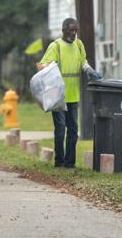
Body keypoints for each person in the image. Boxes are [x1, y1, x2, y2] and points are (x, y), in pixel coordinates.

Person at [37, 18, 101, 168]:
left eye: (76, 30)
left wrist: (90, 70)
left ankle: (70, 162)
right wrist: (47, 69)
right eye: (71, 30)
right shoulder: (56, 46)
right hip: (57, 95)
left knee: (73, 129)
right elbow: (42, 65)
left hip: (73, 95)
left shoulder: (79, 45)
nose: (74, 33)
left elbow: (82, 62)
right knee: (60, 129)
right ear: (64, 30)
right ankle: (59, 162)